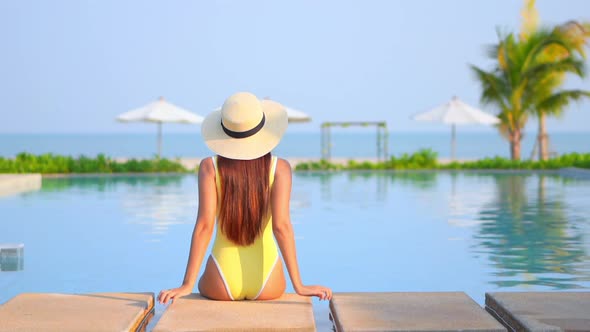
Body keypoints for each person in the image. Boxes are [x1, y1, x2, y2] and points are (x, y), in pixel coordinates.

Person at [158, 92, 331, 303]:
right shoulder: (280, 168)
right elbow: (282, 227)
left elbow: (205, 226)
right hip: (268, 281)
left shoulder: (209, 167)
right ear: (263, 130)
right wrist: (299, 285)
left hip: (221, 280)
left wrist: (187, 285)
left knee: (204, 279)